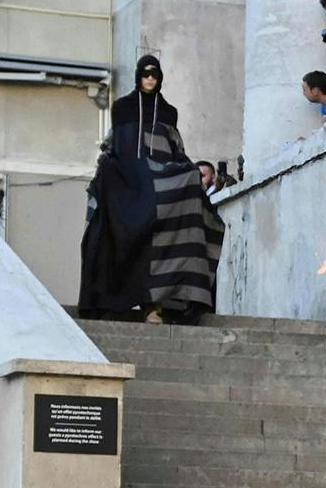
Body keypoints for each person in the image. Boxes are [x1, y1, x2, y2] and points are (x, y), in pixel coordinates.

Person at [79, 55, 224, 322]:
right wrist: (107, 167)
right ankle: (109, 303)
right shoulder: (122, 107)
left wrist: (187, 171)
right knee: (106, 227)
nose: (149, 79)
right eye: (145, 74)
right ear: (138, 76)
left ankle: (154, 306)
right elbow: (113, 145)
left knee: (185, 195)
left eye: (154, 75)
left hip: (159, 181)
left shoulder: (169, 112)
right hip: (126, 179)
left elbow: (176, 150)